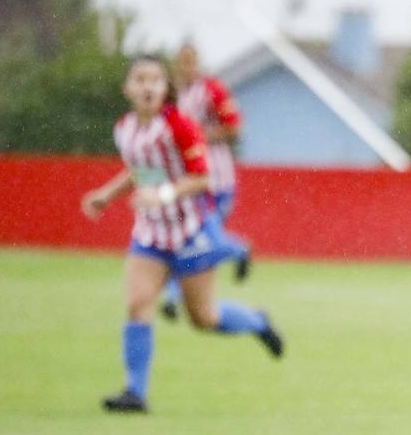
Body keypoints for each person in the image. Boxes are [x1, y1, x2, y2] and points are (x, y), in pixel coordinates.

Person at [81, 55, 282, 414]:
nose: (147, 87)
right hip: (150, 234)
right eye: (139, 80)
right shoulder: (124, 128)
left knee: (204, 318)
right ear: (127, 88)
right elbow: (138, 171)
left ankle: (258, 322)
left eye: (154, 81)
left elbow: (203, 178)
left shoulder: (180, 126)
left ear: (164, 88)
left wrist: (163, 195)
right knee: (137, 304)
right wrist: (106, 195)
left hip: (190, 232)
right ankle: (135, 393)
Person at [161, 42, 252, 321]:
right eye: (182, 62)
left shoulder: (212, 90)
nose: (187, 68)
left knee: (193, 239)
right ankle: (234, 250)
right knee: (188, 240)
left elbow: (235, 128)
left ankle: (236, 249)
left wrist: (198, 134)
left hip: (215, 181)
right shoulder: (172, 94)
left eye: (192, 62)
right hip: (186, 180)